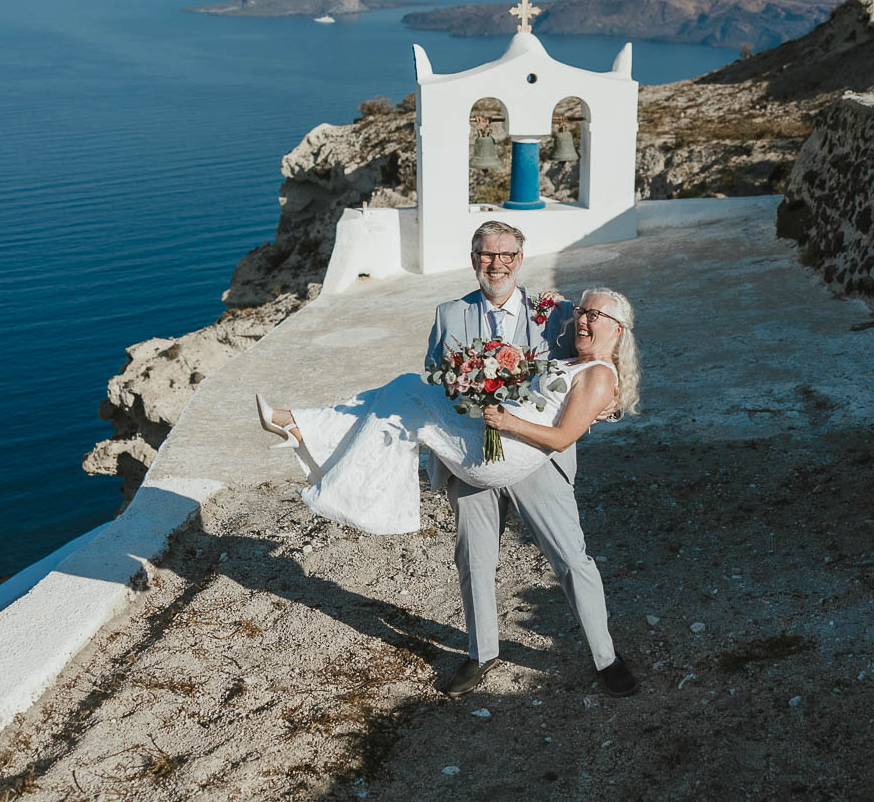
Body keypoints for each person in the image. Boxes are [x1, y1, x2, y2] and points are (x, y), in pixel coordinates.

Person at [255, 221, 640, 698]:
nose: (494, 264)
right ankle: (482, 654)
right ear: (473, 256)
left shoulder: (558, 313)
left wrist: (611, 404)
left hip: (538, 460)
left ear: (520, 260)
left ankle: (606, 658)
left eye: (505, 255)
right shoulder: (448, 313)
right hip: (470, 453)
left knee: (570, 559)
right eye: (484, 254)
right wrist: (467, 390)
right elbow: (437, 376)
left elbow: (600, 367)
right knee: (474, 558)